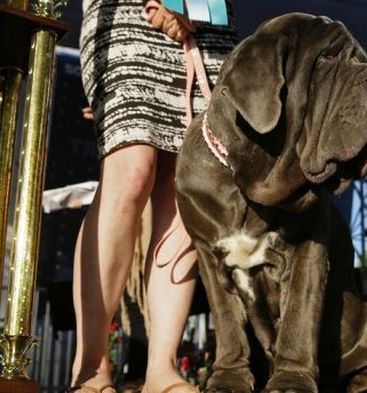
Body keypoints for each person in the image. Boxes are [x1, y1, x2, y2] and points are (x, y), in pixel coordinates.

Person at [71, 1, 237, 392]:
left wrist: (192, 4)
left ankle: (162, 369)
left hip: (207, 23)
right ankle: (91, 365)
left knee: (185, 188)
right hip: (127, 12)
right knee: (131, 170)